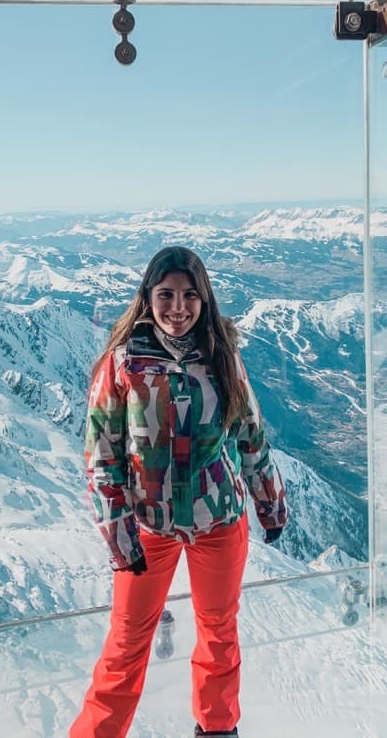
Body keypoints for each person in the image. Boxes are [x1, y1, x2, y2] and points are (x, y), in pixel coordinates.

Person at [70, 246, 288, 738]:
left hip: (219, 520)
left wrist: (270, 504)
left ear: (204, 299)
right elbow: (101, 456)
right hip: (149, 528)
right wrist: (120, 540)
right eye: (166, 294)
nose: (178, 307)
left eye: (190, 295)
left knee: (218, 632)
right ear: (147, 298)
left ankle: (217, 729)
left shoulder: (223, 356)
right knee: (127, 640)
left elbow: (250, 433)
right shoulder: (123, 364)